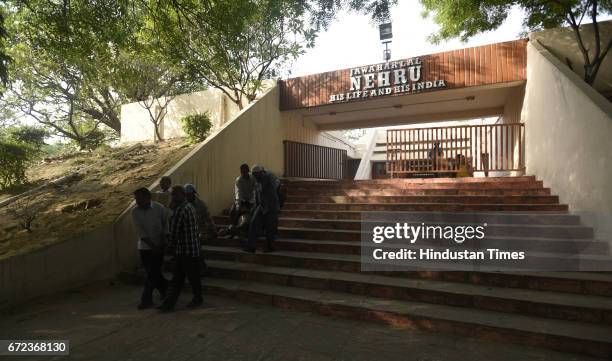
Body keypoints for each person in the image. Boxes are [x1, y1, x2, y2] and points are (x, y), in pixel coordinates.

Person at [158, 186, 202, 312]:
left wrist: (168, 247)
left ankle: (169, 304)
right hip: (191, 249)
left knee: (178, 279)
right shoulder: (189, 206)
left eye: (175, 195)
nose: (173, 197)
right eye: (172, 195)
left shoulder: (181, 210)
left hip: (185, 251)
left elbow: (174, 233)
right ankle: (171, 303)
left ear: (182, 195)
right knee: (188, 278)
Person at [131, 187, 169, 310]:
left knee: (152, 273)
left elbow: (165, 225)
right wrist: (153, 246)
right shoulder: (135, 212)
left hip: (160, 245)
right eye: (136, 199)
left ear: (148, 197)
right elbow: (141, 232)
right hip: (145, 248)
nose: (137, 202)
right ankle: (166, 291)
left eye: (139, 199)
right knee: (153, 272)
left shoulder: (159, 208)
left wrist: (163, 242)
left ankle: (146, 299)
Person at [244, 165, 280, 253]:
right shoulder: (257, 181)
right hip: (261, 206)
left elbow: (274, 185)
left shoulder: (268, 177)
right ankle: (251, 246)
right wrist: (255, 206)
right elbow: (257, 194)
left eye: (256, 174)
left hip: (271, 206)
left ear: (260, 173)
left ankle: (270, 246)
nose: (254, 176)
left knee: (270, 227)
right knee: (253, 223)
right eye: (253, 175)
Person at [228, 164, 256, 238]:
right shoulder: (239, 180)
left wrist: (251, 202)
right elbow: (238, 193)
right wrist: (238, 205)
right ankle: (232, 229)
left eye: (245, 172)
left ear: (248, 171)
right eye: (242, 172)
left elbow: (255, 191)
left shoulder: (253, 178)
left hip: (252, 200)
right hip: (242, 200)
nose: (243, 174)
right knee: (232, 211)